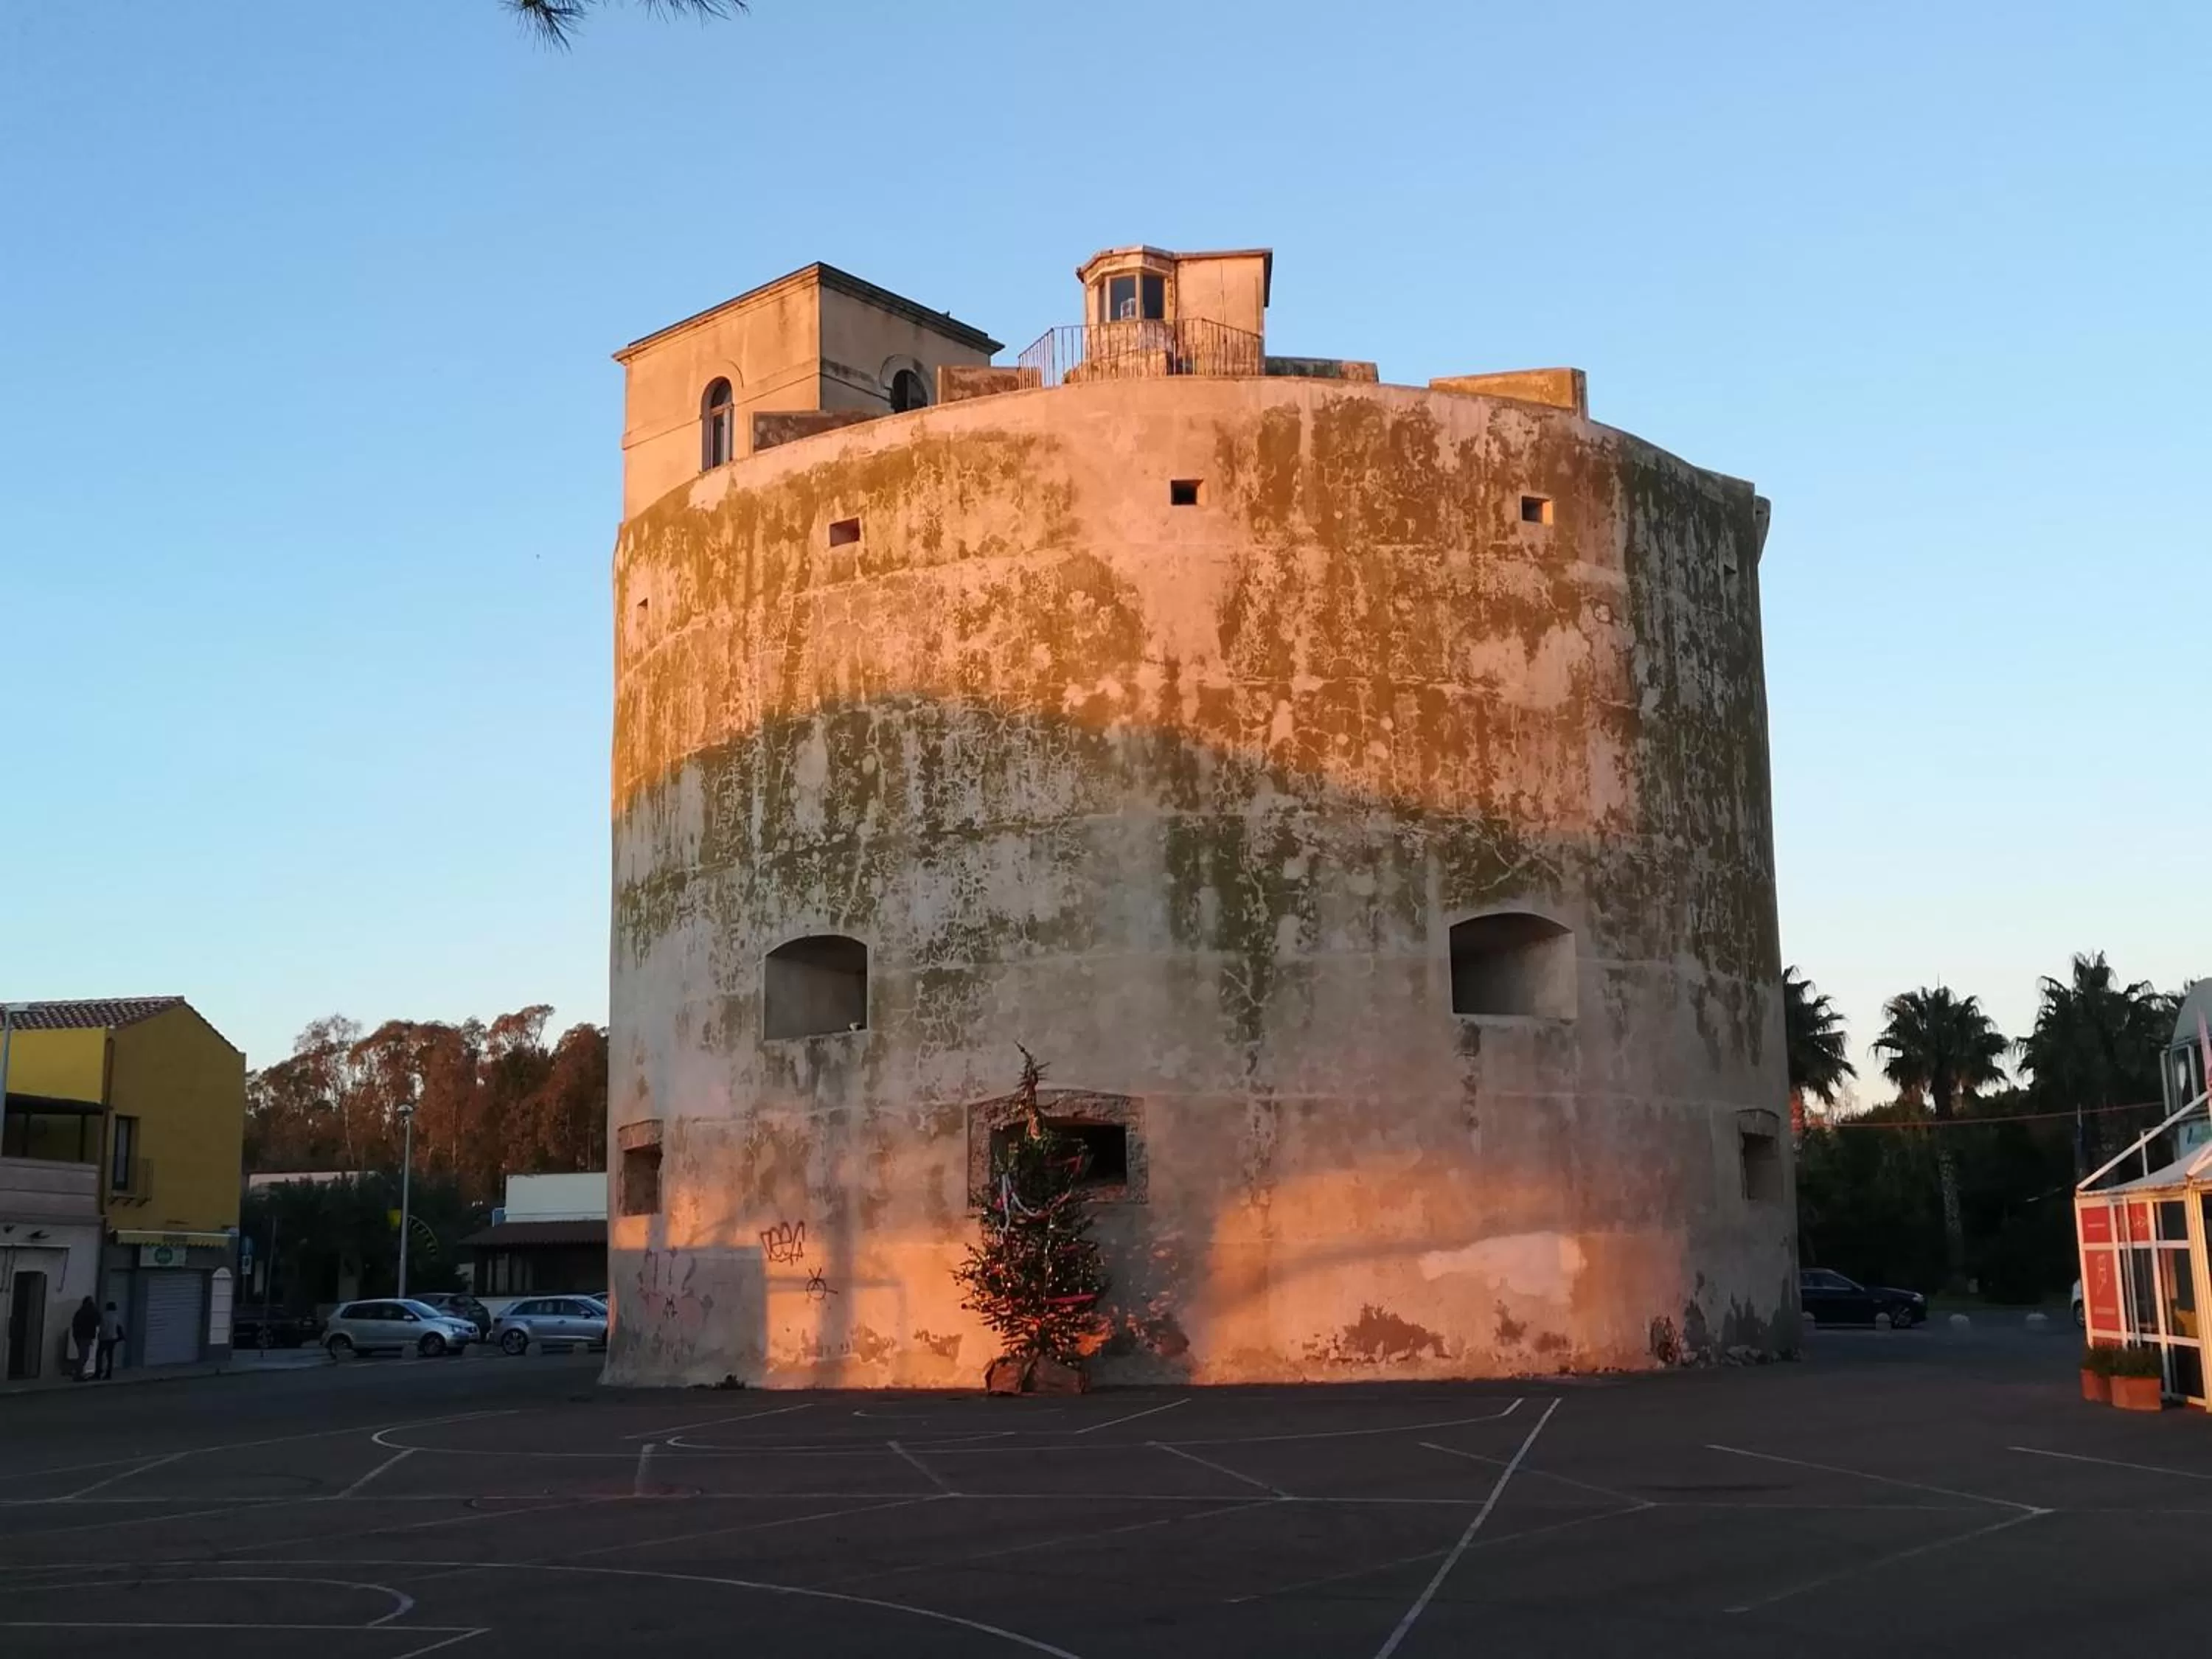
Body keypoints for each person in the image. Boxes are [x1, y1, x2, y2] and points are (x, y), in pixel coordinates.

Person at [69, 1296, 99, 1382]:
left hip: (79, 1336)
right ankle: (78, 1374)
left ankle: (78, 1373)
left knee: (82, 1355)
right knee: (84, 1356)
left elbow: (75, 1323)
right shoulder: (91, 1312)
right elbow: (98, 1320)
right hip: (86, 1336)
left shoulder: (80, 1312)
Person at [97, 1301, 125, 1380]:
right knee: (110, 1357)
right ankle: (109, 1373)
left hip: (104, 1338)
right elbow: (119, 1326)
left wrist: (100, 1334)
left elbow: (103, 1328)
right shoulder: (116, 1316)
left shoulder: (104, 1316)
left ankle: (98, 1372)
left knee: (99, 1354)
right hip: (113, 1338)